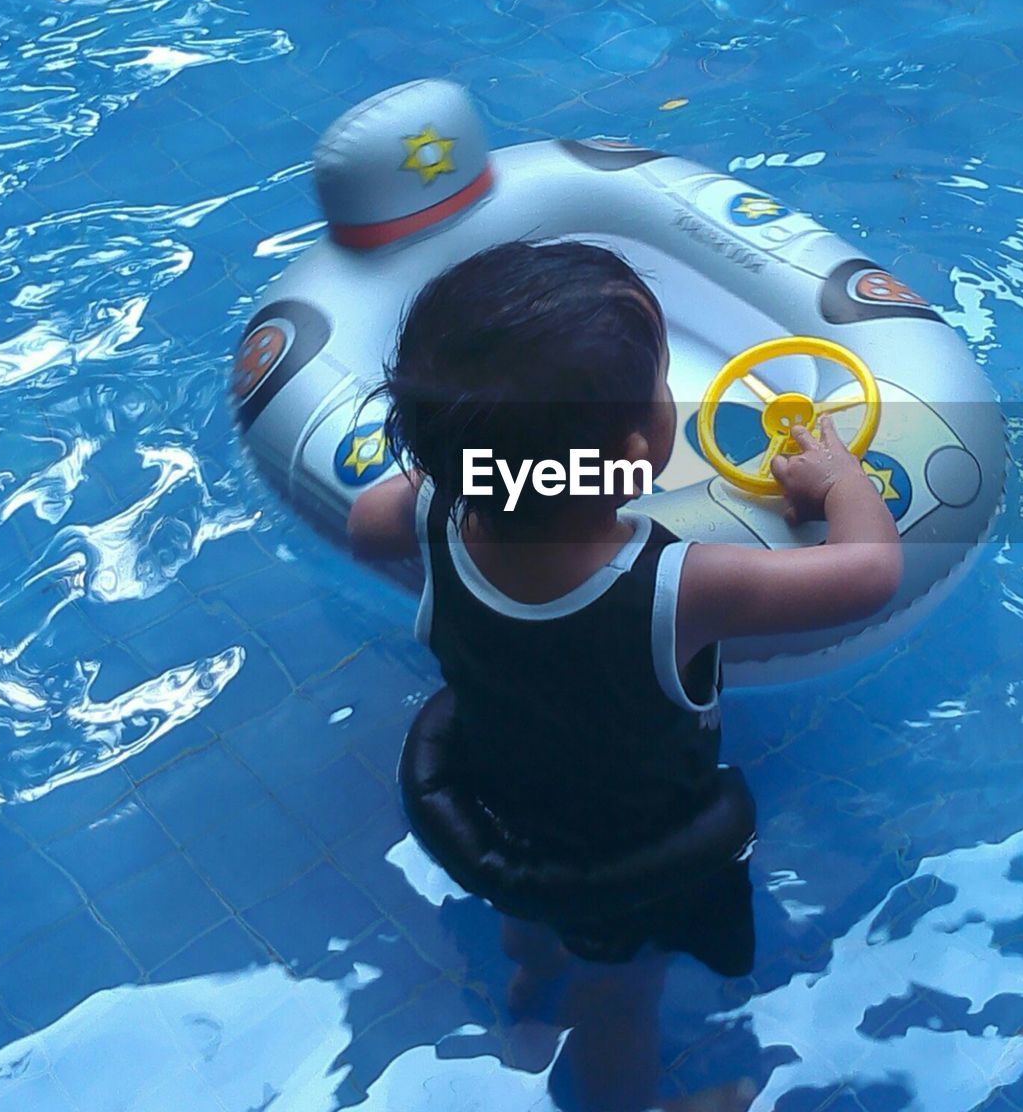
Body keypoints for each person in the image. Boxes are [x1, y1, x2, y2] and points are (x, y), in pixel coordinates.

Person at [348, 239, 902, 984]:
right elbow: (870, 572)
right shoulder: (682, 587)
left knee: (536, 921)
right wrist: (838, 479)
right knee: (620, 994)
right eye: (665, 383)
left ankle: (528, 977)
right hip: (625, 858)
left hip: (501, 805)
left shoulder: (429, 514)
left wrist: (467, 462)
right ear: (638, 450)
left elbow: (363, 526)